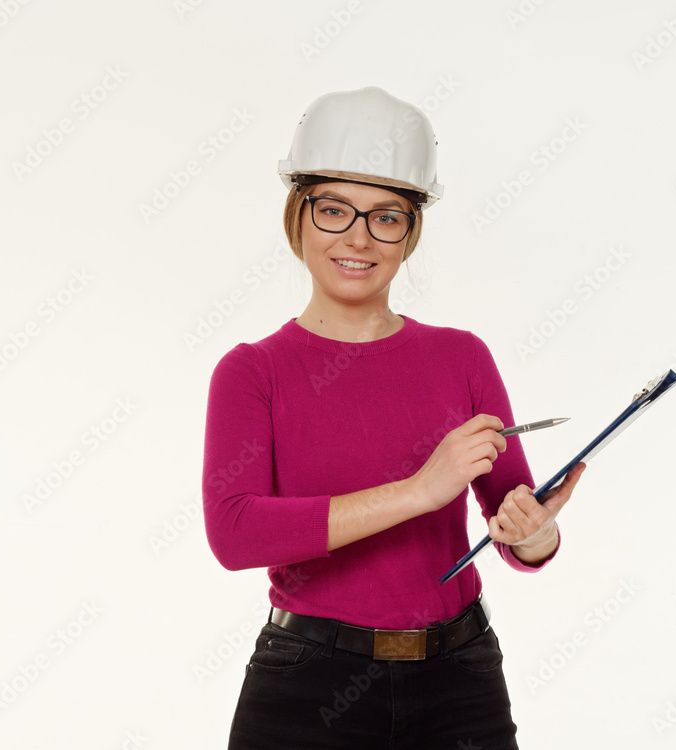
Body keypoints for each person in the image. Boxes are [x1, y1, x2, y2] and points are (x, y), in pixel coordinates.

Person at [202, 86, 585, 750]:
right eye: (334, 210)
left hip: (459, 679)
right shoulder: (252, 371)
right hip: (306, 685)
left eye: (387, 216)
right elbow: (235, 533)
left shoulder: (462, 357)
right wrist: (417, 492)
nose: (358, 237)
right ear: (298, 215)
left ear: (410, 232)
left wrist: (533, 534)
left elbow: (516, 522)